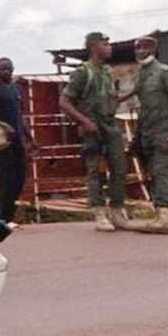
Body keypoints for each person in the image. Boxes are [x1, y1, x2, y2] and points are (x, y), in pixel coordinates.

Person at [62, 30, 134, 232]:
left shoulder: (106, 72)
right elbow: (64, 102)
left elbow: (111, 99)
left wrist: (132, 93)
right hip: (92, 127)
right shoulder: (83, 72)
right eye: (105, 44)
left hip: (110, 125)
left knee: (120, 169)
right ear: (94, 47)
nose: (109, 47)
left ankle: (118, 210)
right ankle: (99, 212)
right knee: (95, 172)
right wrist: (84, 122)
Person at [130, 35, 168, 227]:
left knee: (162, 171)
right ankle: (157, 213)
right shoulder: (141, 74)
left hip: (163, 130)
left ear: (153, 50)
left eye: (144, 47)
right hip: (146, 131)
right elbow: (134, 96)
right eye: (137, 48)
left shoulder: (165, 72)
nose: (140, 51)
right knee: (150, 172)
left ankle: (163, 216)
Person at [0, 56, 33, 223]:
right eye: (3, 69)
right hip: (2, 142)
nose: (6, 71)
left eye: (9, 68)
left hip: (18, 141)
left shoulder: (15, 88)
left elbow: (20, 114)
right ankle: (3, 218)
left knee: (20, 178)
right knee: (6, 179)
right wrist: (3, 125)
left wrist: (30, 137)